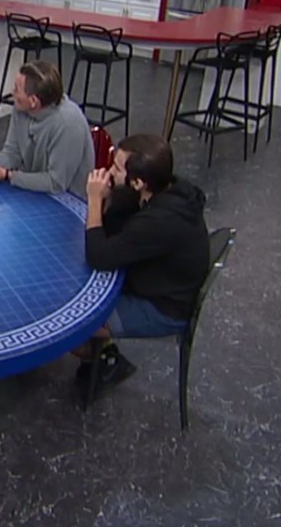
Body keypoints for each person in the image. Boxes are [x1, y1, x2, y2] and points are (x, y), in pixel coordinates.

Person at [73, 133, 210, 402]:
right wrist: (111, 196)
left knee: (75, 328)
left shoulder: (159, 221)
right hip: (154, 279)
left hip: (164, 306)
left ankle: (105, 359)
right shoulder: (163, 189)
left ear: (138, 182)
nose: (109, 171)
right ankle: (104, 353)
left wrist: (94, 200)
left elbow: (99, 256)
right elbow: (113, 227)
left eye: (116, 168)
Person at [0, 60, 94, 196]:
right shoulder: (21, 108)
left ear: (33, 101)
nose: (12, 93)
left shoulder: (68, 124)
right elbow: (12, 153)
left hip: (68, 199)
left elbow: (56, 183)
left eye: (16, 89)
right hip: (35, 191)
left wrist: (8, 175)